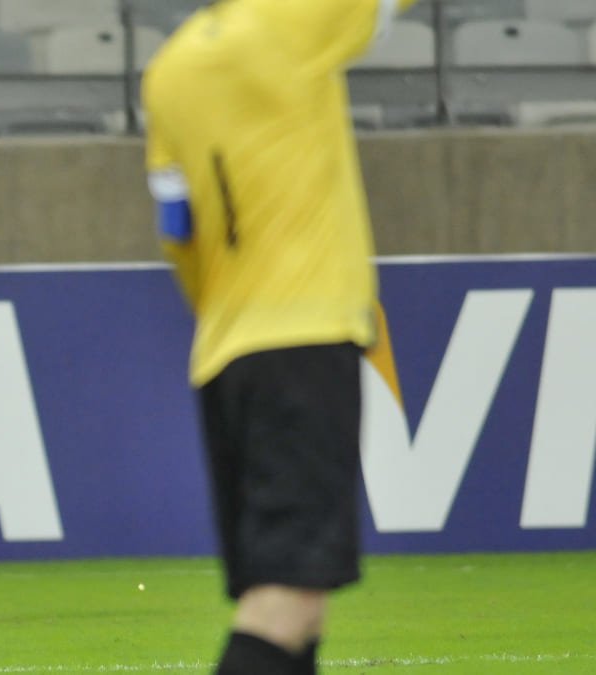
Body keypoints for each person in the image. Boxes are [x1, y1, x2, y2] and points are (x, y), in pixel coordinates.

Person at [141, 1, 419, 673]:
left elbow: (179, 229)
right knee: (284, 606)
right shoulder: (290, 19)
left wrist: (224, 309)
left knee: (300, 614)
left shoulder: (168, 71)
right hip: (305, 337)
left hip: (227, 350)